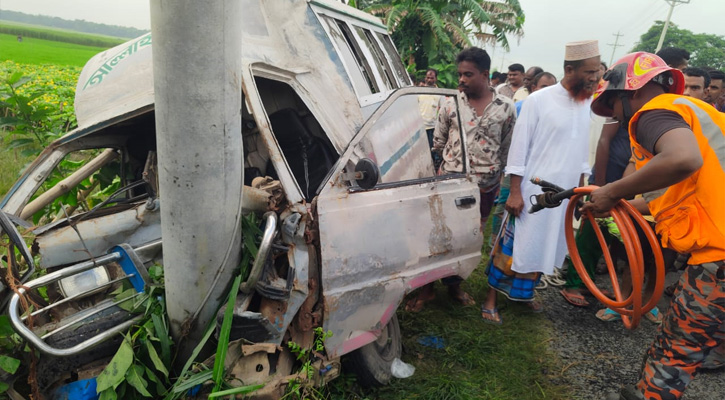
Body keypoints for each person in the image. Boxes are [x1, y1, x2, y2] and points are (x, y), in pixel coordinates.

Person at [587, 51, 724, 400]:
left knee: (675, 352)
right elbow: (692, 185)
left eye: (612, 104)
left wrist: (612, 190)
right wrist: (623, 203)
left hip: (719, 257)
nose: (615, 115)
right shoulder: (700, 112)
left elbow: (682, 159)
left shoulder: (652, 113)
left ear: (630, 93)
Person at [480, 40, 601, 324]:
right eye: (590, 71)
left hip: (564, 193)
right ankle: (490, 298)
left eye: (598, 71)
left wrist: (580, 190)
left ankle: (525, 294)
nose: (596, 77)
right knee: (514, 245)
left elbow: (582, 151)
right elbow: (518, 149)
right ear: (570, 69)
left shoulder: (586, 104)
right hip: (533, 191)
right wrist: (515, 192)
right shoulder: (538, 100)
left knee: (545, 245)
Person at [404, 47, 516, 313]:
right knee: (439, 236)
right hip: (450, 185)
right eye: (460, 74)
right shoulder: (450, 102)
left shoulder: (506, 108)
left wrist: (491, 171)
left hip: (485, 188)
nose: (462, 80)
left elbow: (506, 147)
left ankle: (454, 285)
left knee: (468, 240)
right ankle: (427, 289)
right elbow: (439, 141)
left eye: (468, 74)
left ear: (485, 74)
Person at [418, 68, 442, 169]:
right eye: (428, 77)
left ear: (435, 79)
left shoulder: (439, 94)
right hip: (420, 127)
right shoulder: (418, 92)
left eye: (431, 78)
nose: (429, 80)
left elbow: (442, 110)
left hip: (432, 127)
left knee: (433, 151)